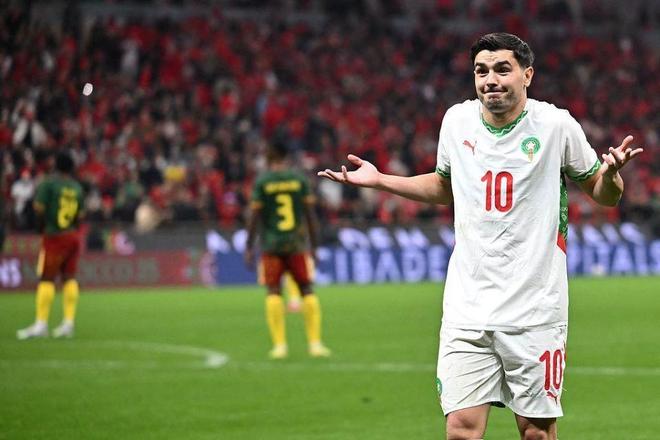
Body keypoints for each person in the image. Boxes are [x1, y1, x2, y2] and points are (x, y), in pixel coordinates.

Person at [318, 33, 642, 440]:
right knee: (461, 430)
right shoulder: (457, 121)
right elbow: (444, 187)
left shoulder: (555, 125)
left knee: (536, 433)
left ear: (527, 75)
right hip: (467, 308)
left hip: (535, 308)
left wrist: (611, 176)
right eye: (481, 71)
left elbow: (604, 194)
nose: (490, 80)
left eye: (502, 70)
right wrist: (382, 179)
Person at [245, 141, 331, 359]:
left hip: (271, 245)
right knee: (307, 289)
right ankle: (315, 344)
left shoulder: (263, 181)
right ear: (286, 158)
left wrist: (248, 246)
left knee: (273, 291)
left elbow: (254, 217)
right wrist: (314, 245)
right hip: (297, 243)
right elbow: (310, 215)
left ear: (269, 158)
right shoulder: (299, 179)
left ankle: (279, 346)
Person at [17, 151, 85, 340]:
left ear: (56, 165)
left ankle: (41, 324)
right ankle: (68, 322)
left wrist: (41, 228)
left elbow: (39, 208)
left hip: (54, 236)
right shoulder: (77, 188)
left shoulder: (49, 184)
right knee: (69, 278)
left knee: (47, 279)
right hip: (72, 236)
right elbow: (80, 216)